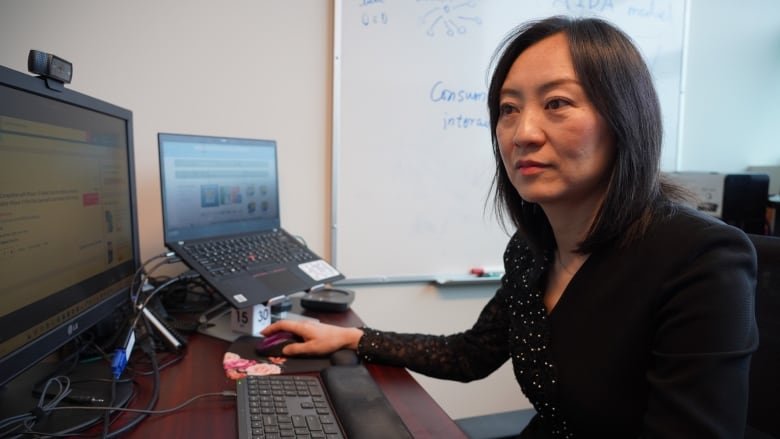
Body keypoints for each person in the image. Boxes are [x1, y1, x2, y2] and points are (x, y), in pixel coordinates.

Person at [263, 16, 758, 438]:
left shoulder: (701, 259)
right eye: (508, 109)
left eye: (558, 103)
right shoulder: (532, 249)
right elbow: (472, 354)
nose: (523, 133)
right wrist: (353, 339)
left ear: (625, 117)